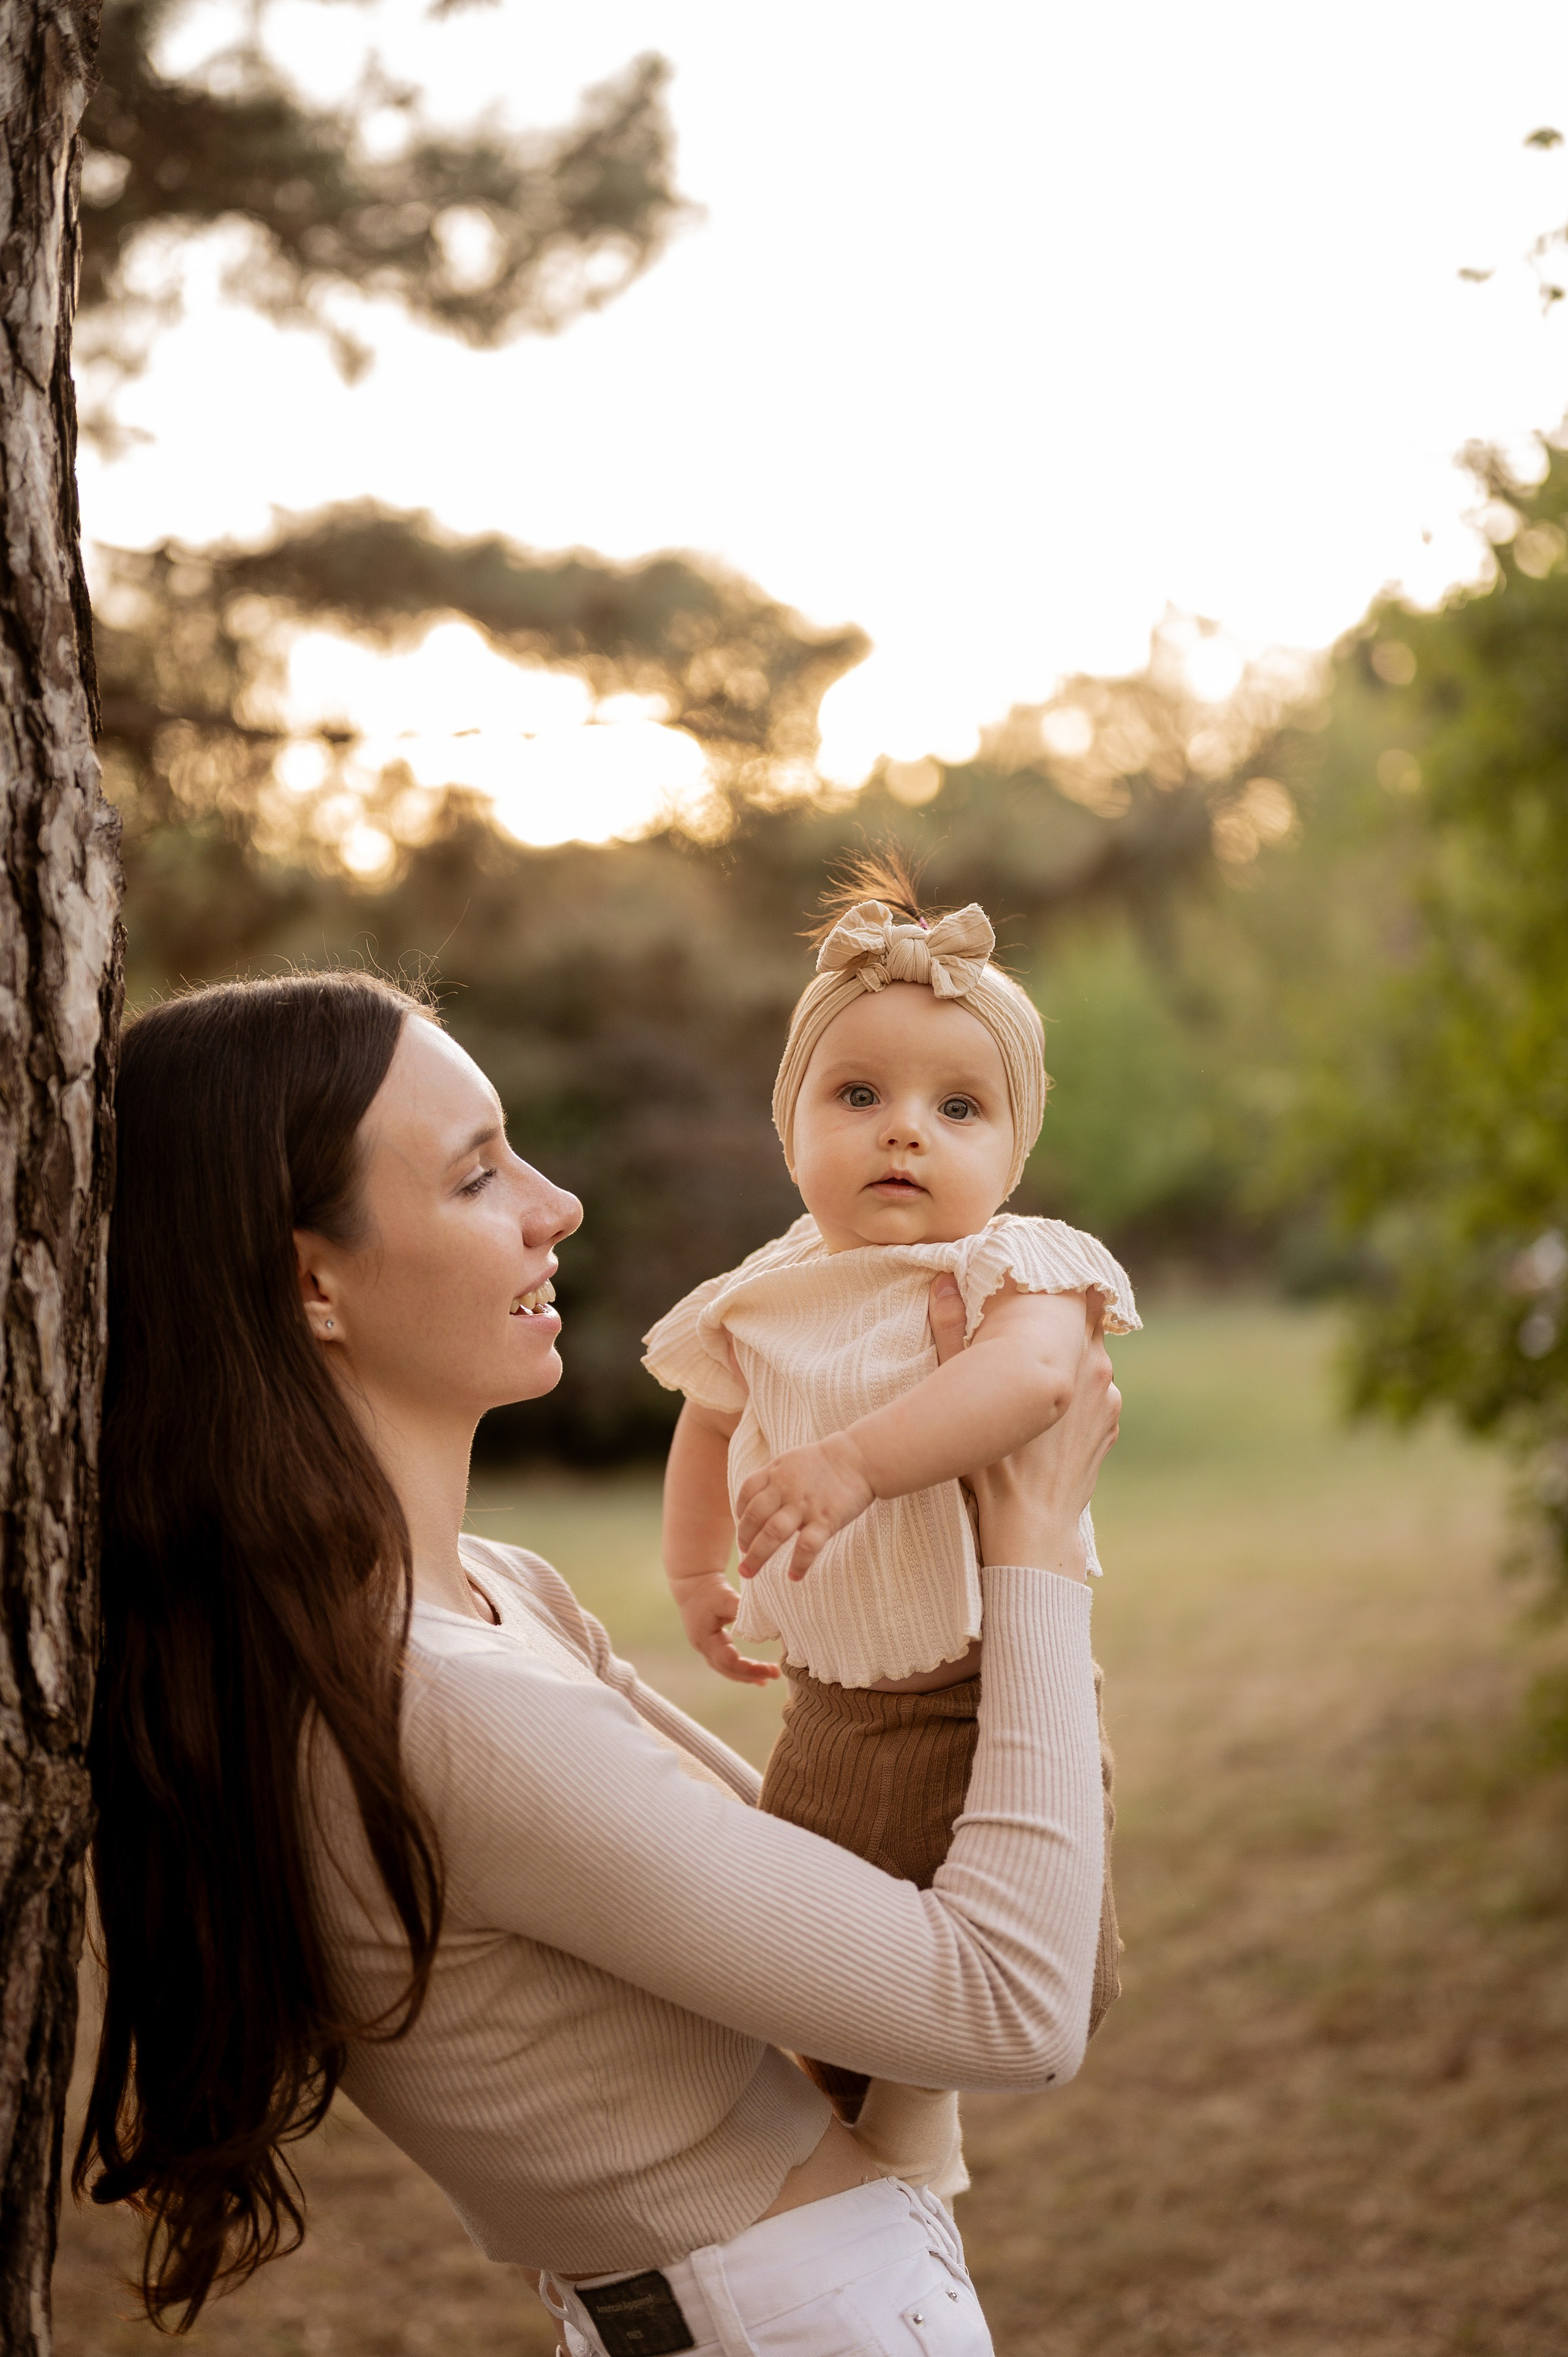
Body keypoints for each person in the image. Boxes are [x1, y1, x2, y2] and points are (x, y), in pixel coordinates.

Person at [77, 967, 1121, 2357]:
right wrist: (1030, 1539)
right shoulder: (437, 1702)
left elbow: (830, 1894)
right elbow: (1010, 2009)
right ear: (311, 1282)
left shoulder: (490, 1597)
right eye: (477, 1177)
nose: (556, 1204)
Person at [643, 864, 1137, 2185]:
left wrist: (855, 1463)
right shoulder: (766, 1292)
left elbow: (1032, 1382)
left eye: (956, 1107)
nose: (902, 1132)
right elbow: (708, 1423)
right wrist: (695, 1572)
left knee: (1029, 1969)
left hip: (985, 1697)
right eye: (857, 1095)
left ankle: (917, 2134)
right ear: (790, 1127)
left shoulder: (1016, 1266)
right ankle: (879, 2171)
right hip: (831, 1703)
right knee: (826, 1969)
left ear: (1012, 1155)